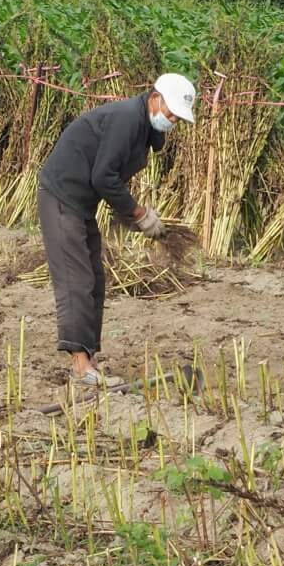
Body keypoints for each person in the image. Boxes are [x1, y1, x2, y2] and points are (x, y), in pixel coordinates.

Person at [35, 73, 196, 388]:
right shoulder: (125, 120)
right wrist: (138, 213)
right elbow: (104, 177)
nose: (173, 119)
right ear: (155, 98)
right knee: (75, 278)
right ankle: (80, 368)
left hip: (81, 204)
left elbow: (107, 178)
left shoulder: (143, 129)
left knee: (95, 278)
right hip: (60, 197)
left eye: (178, 116)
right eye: (171, 111)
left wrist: (132, 214)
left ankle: (89, 360)